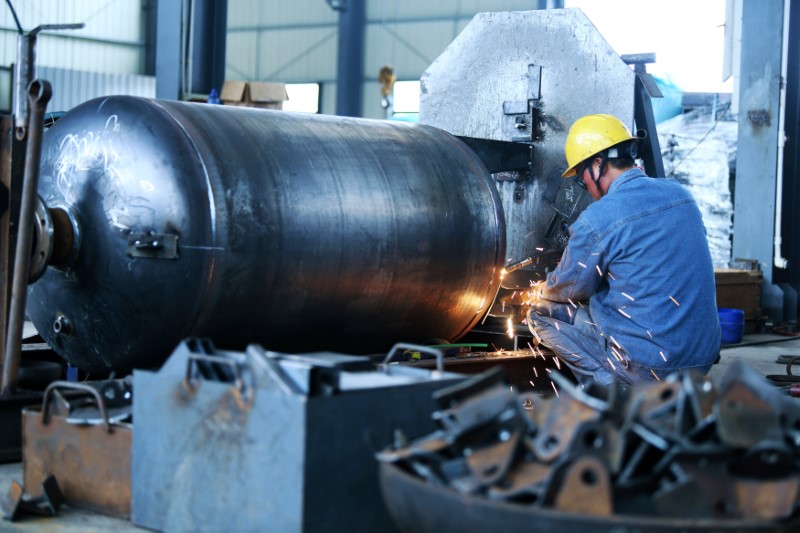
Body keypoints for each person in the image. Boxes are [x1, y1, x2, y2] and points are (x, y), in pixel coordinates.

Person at [527, 114, 721, 385]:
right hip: (701, 361)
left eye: (582, 179)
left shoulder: (598, 218)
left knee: (539, 311)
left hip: (649, 367)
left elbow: (567, 291)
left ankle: (610, 394)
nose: (586, 188)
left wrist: (541, 289)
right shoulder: (681, 196)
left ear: (598, 163)